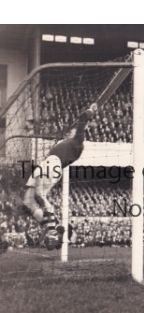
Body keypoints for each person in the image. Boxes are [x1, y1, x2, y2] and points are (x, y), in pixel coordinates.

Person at [22, 103, 97, 250]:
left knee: (39, 196)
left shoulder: (77, 143)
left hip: (53, 165)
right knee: (27, 202)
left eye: (74, 130)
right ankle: (53, 227)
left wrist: (90, 111)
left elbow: (81, 123)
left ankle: (53, 232)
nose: (72, 130)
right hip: (45, 164)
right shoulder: (65, 142)